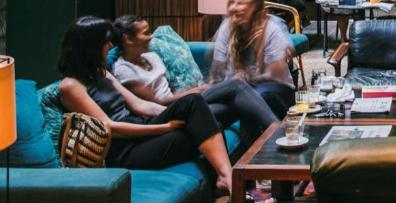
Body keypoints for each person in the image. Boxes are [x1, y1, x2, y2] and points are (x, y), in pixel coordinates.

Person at [57, 16, 235, 196]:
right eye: (105, 42)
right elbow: (110, 128)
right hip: (122, 150)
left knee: (198, 109)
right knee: (206, 128)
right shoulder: (70, 86)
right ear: (90, 46)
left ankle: (225, 181)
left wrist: (185, 115)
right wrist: (163, 128)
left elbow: (139, 105)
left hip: (138, 127)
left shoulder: (101, 73)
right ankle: (230, 182)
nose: (110, 46)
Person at [110, 15, 279, 145]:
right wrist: (194, 92)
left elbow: (170, 89)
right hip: (166, 112)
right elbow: (156, 102)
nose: (151, 36)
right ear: (128, 39)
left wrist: (194, 89)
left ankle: (256, 161)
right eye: (145, 33)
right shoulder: (124, 70)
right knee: (236, 84)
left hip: (183, 102)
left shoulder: (151, 56)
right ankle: (278, 132)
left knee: (237, 104)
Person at [210, 0, 296, 118]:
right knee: (211, 111)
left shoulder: (271, 28)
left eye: (240, 3)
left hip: (273, 86)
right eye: (231, 2)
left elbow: (273, 76)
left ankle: (273, 128)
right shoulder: (226, 27)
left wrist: (246, 78)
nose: (233, 7)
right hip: (235, 90)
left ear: (254, 5)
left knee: (256, 99)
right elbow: (217, 71)